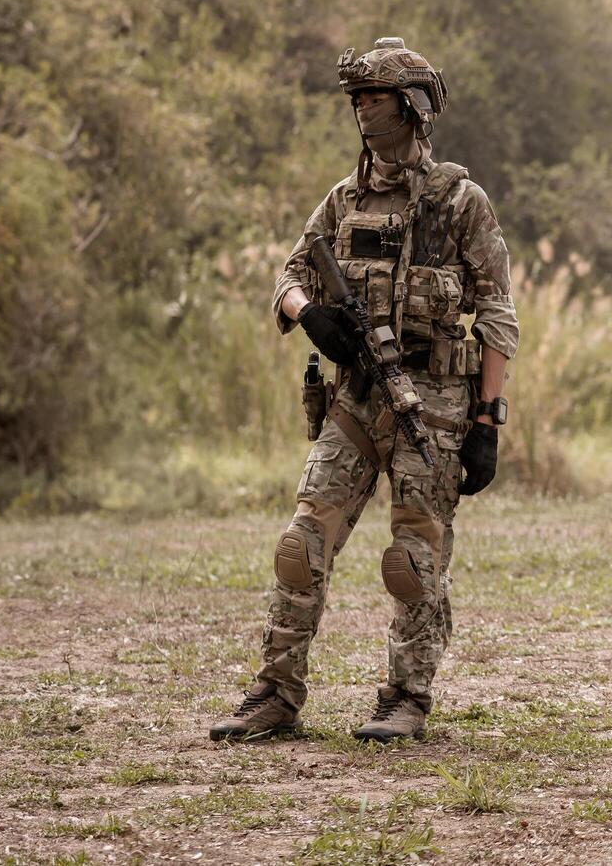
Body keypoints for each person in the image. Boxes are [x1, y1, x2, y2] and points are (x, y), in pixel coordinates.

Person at [209, 37, 518, 743]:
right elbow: (290, 276)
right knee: (301, 542)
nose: (359, 106)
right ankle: (275, 693)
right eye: (355, 96)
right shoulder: (343, 201)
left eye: (371, 95)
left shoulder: (460, 204)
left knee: (413, 559)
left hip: (432, 408)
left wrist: (487, 420)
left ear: (409, 106)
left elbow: (498, 316)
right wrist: (307, 314)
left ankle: (406, 696)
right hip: (354, 401)